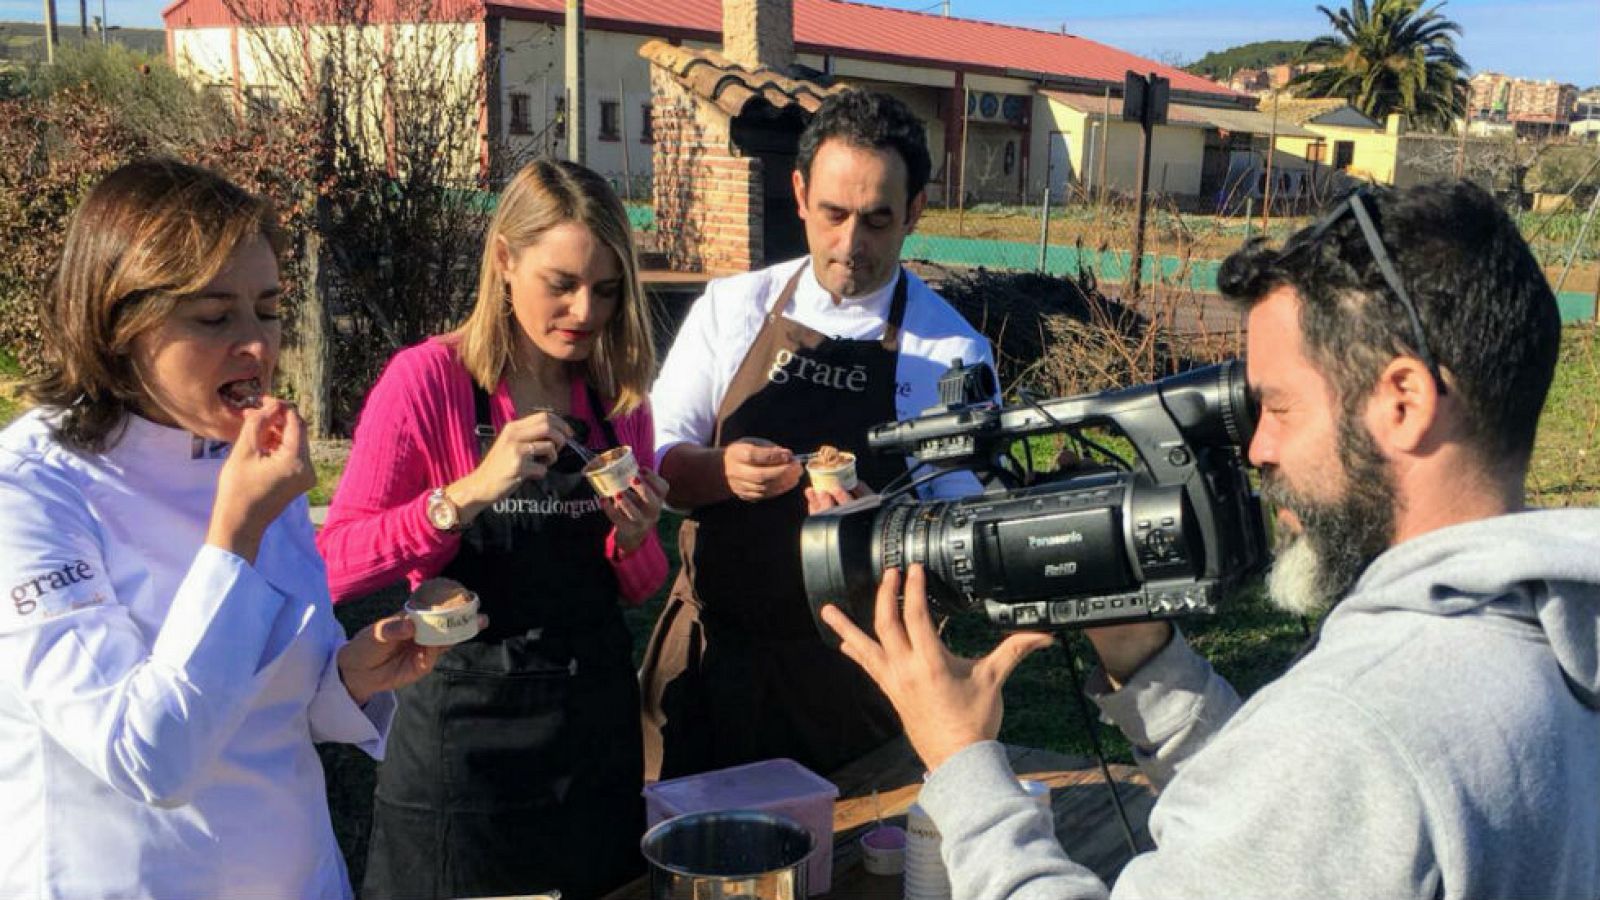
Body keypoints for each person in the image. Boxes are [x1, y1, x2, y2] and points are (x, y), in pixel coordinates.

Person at [823, 180, 1600, 898]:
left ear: (1403, 402)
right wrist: (1144, 657)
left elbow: (1330, 778)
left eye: (1281, 409)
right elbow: (1292, 827)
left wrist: (961, 762)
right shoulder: (1554, 642)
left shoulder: (1360, 730)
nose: (1258, 448)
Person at [0, 159, 451, 898]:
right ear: (117, 324)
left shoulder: (247, 457)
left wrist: (345, 680)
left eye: (268, 309)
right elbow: (151, 756)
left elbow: (259, 706)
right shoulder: (30, 492)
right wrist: (235, 534)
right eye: (213, 317)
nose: (256, 345)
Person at [317, 158, 669, 900]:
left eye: (605, 291)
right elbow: (335, 562)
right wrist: (466, 494)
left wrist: (636, 541)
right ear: (504, 261)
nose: (585, 313)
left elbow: (639, 589)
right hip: (464, 741)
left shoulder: (616, 396)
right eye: (562, 285)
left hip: (592, 733)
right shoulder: (428, 382)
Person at [640, 89, 997, 781]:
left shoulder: (951, 349)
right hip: (712, 653)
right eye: (833, 214)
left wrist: (877, 523)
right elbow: (658, 466)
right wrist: (722, 473)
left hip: (851, 675)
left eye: (877, 220)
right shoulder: (731, 309)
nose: (850, 245)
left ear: (916, 212)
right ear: (800, 193)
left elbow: (964, 537)